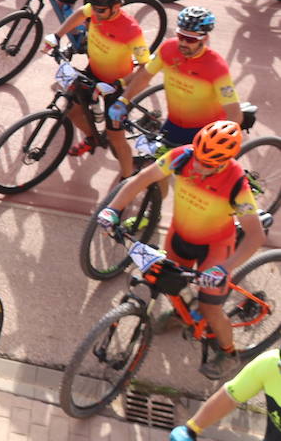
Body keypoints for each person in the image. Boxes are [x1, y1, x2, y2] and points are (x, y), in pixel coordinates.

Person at [100, 120, 263, 378]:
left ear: (223, 162)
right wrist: (112, 209)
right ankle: (181, 314)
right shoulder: (181, 156)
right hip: (179, 235)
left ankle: (229, 353)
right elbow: (141, 179)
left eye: (207, 164)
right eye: (198, 157)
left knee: (210, 307)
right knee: (169, 281)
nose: (197, 166)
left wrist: (224, 269)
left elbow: (255, 236)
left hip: (214, 248)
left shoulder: (237, 184)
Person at [46, 0, 147, 178]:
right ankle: (92, 138)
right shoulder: (97, 9)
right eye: (94, 8)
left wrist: (118, 84)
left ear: (117, 5)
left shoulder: (131, 30)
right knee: (73, 112)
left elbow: (145, 68)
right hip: (93, 72)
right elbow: (79, 14)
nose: (96, 13)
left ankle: (126, 180)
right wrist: (56, 35)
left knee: (115, 138)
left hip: (117, 86)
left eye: (101, 10)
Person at [121, 6, 243, 149]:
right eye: (181, 37)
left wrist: (214, 144)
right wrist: (123, 101)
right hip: (174, 125)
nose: (183, 43)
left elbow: (234, 114)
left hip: (203, 133)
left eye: (190, 39)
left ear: (204, 38)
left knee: (185, 170)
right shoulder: (168, 48)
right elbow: (144, 76)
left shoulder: (216, 67)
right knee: (153, 163)